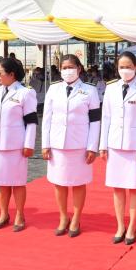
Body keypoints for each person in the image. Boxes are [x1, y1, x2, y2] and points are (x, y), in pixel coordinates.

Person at [99, 51, 136, 245]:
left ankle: (132, 226)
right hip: (114, 144)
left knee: (134, 187)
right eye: (121, 67)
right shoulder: (111, 88)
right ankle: (120, 226)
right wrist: (102, 145)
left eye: (128, 66)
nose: (125, 70)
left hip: (134, 145)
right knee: (117, 188)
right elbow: (105, 117)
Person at [42, 54, 101, 237]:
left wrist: (92, 147)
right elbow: (47, 118)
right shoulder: (53, 89)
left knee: (78, 183)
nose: (67, 70)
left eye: (70, 67)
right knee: (59, 183)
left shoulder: (90, 91)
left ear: (79, 69)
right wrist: (45, 144)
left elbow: (95, 121)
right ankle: (63, 217)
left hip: (79, 145)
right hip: (57, 144)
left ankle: (76, 217)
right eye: (64, 67)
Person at [0, 58, 38, 231]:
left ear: (11, 74)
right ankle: (4, 213)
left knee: (17, 182)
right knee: (2, 182)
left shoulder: (25, 93)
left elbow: (31, 122)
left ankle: (20, 214)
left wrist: (29, 144)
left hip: (16, 145)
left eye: (0, 73)